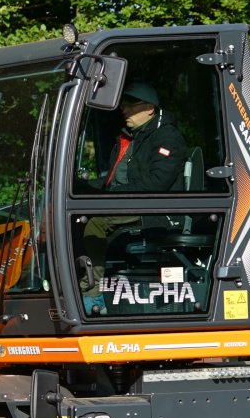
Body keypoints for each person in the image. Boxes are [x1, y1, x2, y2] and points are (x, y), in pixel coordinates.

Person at [80, 81, 188, 294]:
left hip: (153, 209)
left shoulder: (166, 137)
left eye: (131, 105)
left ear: (150, 109)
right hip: (127, 202)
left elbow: (157, 184)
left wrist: (111, 196)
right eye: (123, 106)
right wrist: (79, 187)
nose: (125, 110)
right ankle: (70, 280)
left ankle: (92, 291)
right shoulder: (130, 138)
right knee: (73, 218)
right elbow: (109, 181)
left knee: (96, 224)